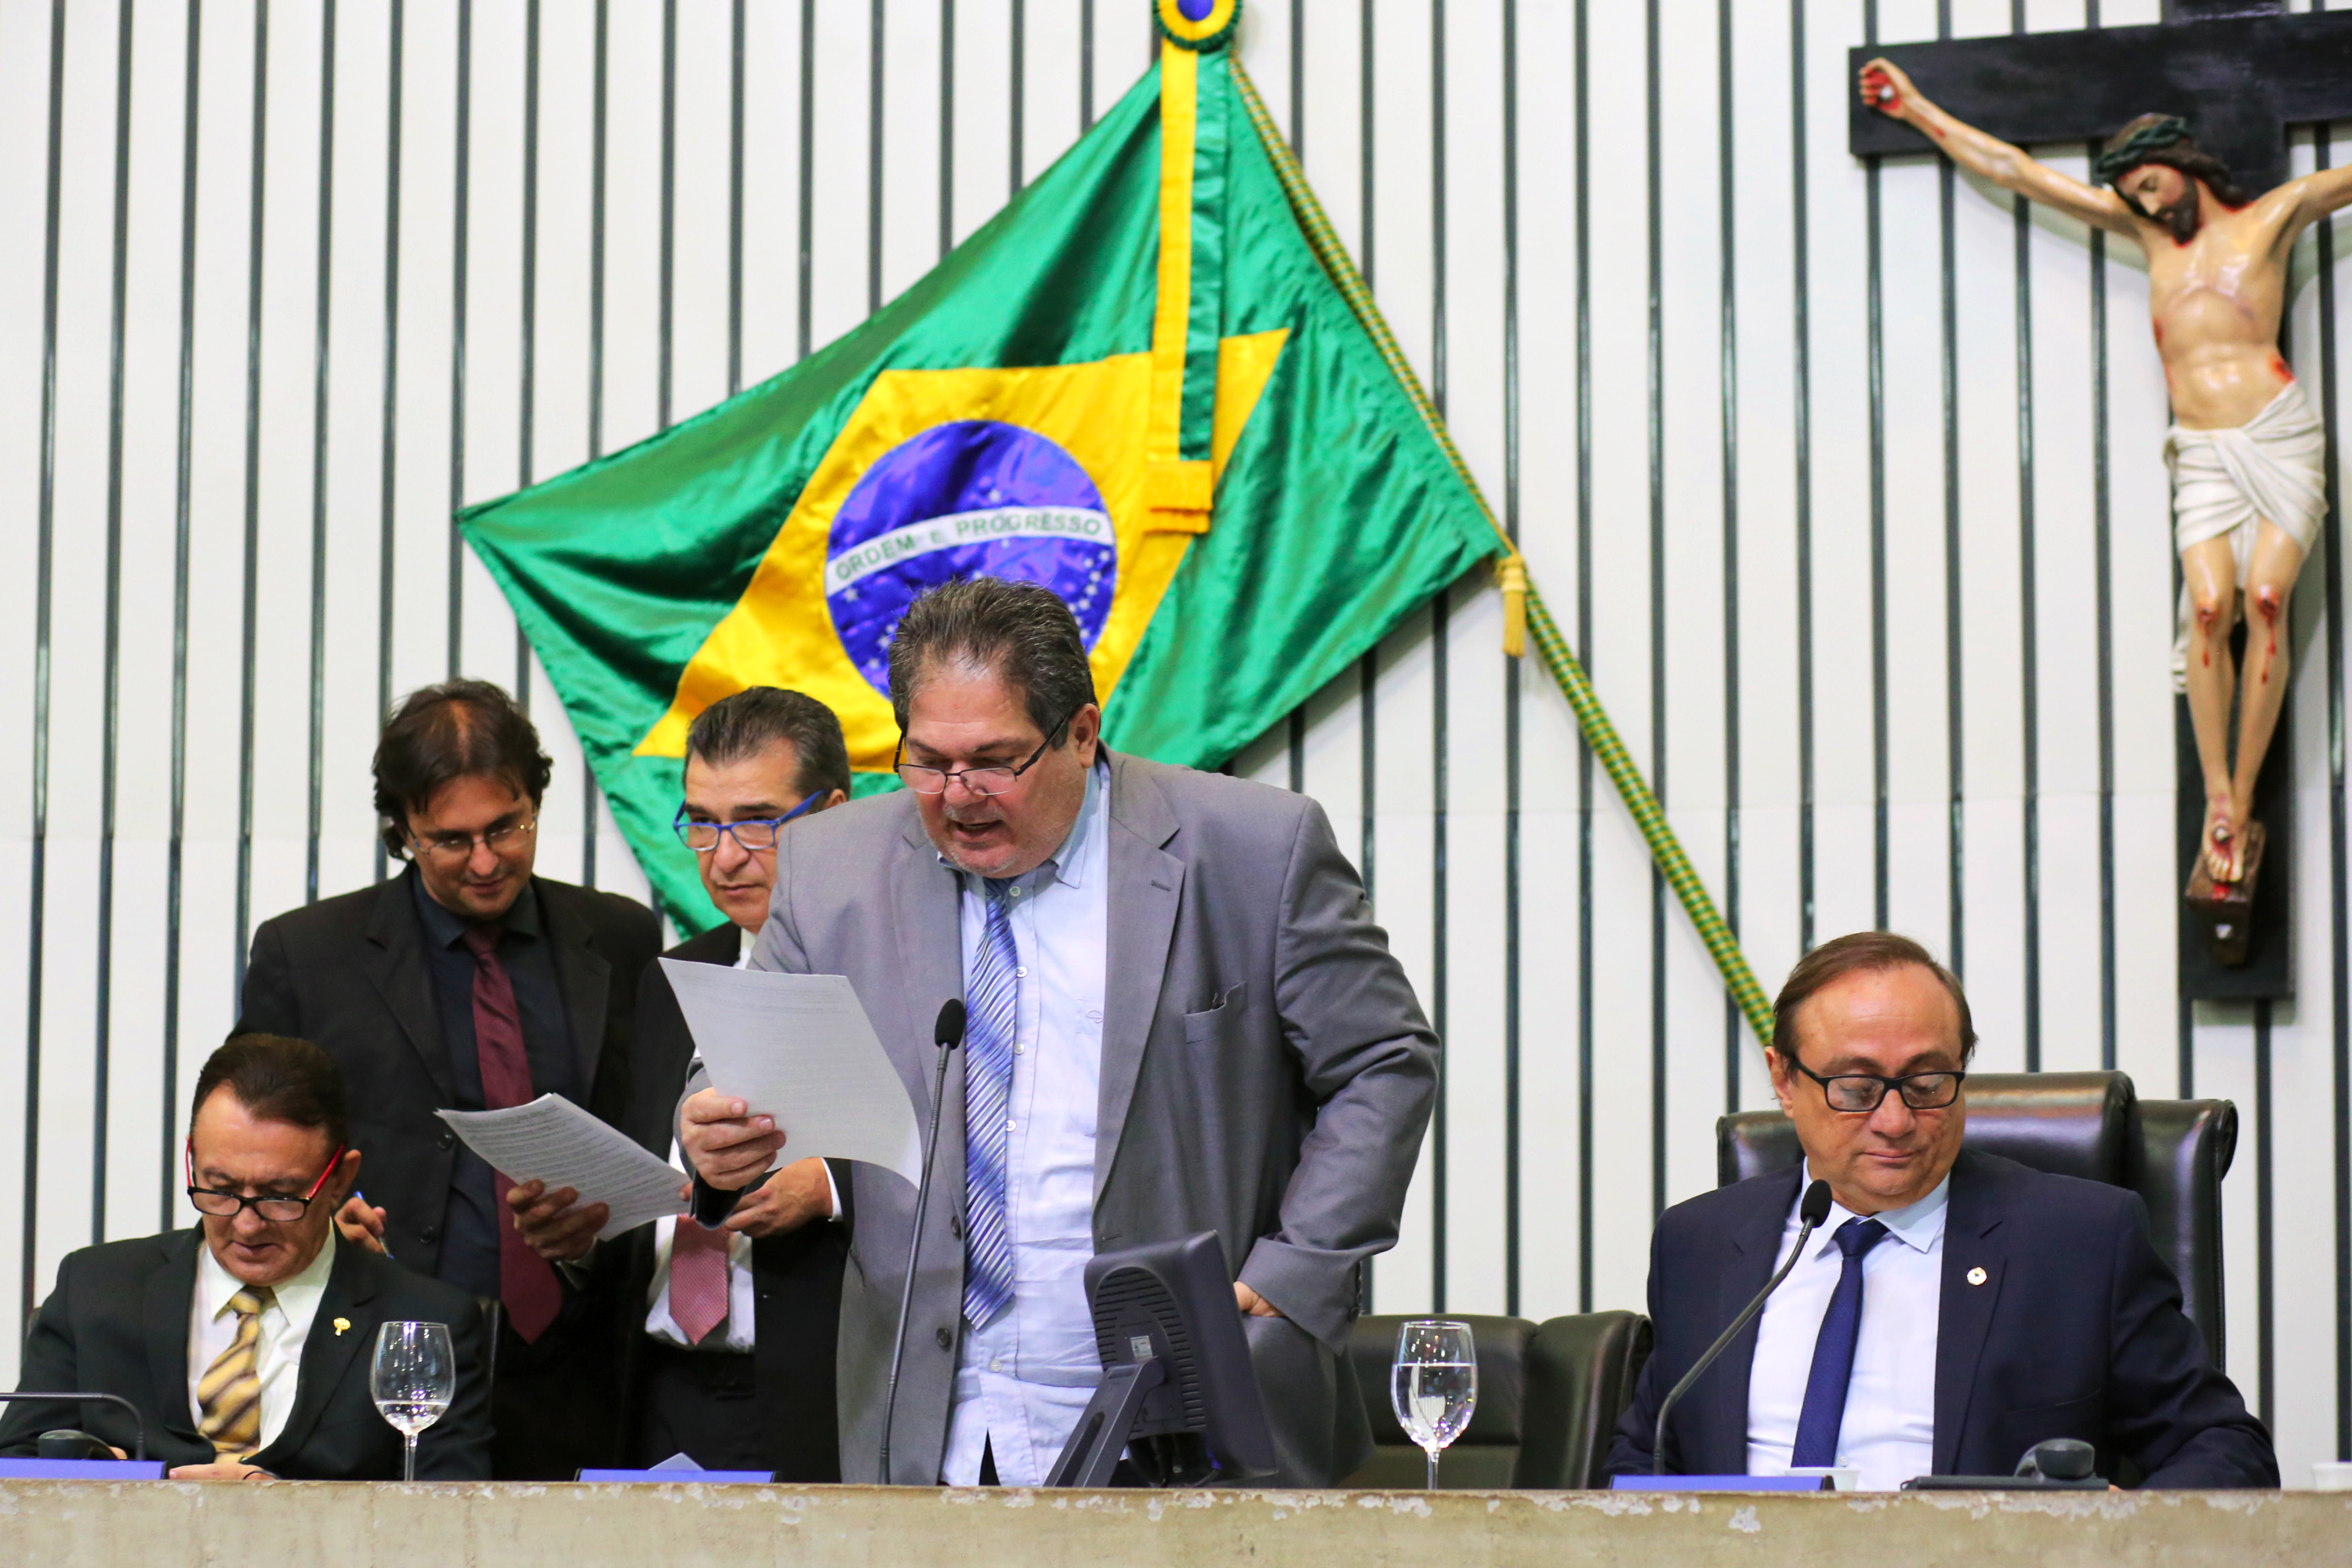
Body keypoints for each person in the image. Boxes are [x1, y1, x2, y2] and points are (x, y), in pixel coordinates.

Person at [678, 576, 1437, 1487]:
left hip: (1192, 1397)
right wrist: (709, 1126)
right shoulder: (832, 865)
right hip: (929, 1425)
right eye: (928, 761)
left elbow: (1384, 1062)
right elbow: (740, 1063)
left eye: (994, 761)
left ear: (1080, 732)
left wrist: (1294, 1269)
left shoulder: (1251, 847)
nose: (958, 795)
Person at [1860, 62, 2352, 887]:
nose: (2148, 205)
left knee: (2266, 599)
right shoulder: (2146, 235)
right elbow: (2017, 171)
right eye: (2133, 196)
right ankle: (2219, 794)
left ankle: (2246, 789)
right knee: (2209, 607)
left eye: (2152, 185)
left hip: (2276, 434)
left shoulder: (2273, 218)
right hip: (2202, 447)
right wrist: (1915, 109)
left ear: (2185, 165)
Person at [1608, 932, 2276, 1490]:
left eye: (1928, 1084)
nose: (1896, 1121)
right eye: (1857, 1089)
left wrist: (2110, 1539)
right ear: (1784, 1080)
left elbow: (2225, 1451)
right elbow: (1642, 1462)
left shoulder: (2079, 1242)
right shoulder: (1699, 1242)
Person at [234, 679, 662, 1479]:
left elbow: (650, 1127)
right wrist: (316, 1219)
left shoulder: (622, 937)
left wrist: (600, 1224)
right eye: (451, 840)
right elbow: (250, 1143)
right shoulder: (309, 955)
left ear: (535, 801)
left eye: (506, 826)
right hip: (381, 1357)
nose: (487, 860)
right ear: (403, 832)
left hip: (584, 1366)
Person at [517, 685, 855, 1476]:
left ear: (834, 816)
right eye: (702, 822)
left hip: (822, 1390)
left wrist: (831, 1187)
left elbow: (967, 1165)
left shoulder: (893, 970)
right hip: (656, 1388)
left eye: (757, 821)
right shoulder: (672, 976)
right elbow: (655, 1190)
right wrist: (583, 1232)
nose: (724, 856)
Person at [0, 1034, 492, 1479]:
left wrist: (273, 1505)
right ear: (193, 1159)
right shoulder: (96, 1289)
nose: (247, 1225)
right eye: (220, 1188)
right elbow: (17, 1469)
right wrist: (131, 1489)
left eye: (280, 1196)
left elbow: (451, 1509)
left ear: (339, 1179)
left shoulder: (425, 1321)